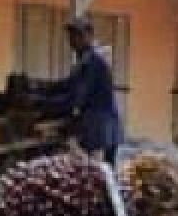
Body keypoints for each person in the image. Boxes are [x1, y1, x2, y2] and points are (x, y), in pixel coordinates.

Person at [36, 16, 123, 164]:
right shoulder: (83, 61)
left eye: (78, 34)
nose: (73, 39)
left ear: (89, 36)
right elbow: (67, 85)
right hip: (97, 126)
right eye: (71, 35)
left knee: (98, 175)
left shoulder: (93, 62)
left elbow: (75, 99)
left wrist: (41, 104)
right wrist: (39, 87)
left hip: (100, 130)